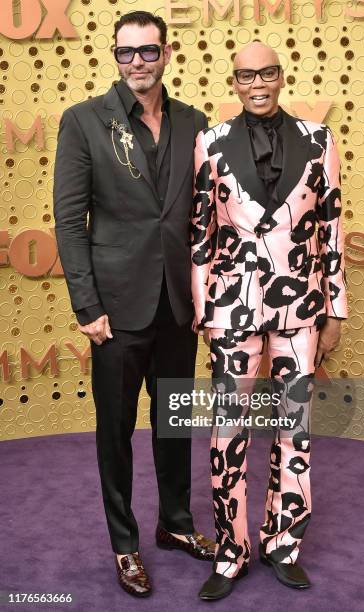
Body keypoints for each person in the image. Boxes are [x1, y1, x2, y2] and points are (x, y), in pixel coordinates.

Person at [53, 10, 215, 599]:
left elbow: (204, 216)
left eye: (148, 51)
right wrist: (86, 305)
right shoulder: (83, 122)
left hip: (178, 304)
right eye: (127, 53)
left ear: (167, 53)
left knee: (174, 422)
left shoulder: (195, 123)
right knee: (114, 430)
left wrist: (206, 294)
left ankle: (175, 525)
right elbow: (70, 222)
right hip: (114, 311)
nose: (137, 62)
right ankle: (125, 544)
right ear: (114, 57)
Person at [191, 41, 348, 601]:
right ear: (233, 82)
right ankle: (231, 553)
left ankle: (283, 543)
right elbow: (201, 234)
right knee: (227, 432)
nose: (257, 83)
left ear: (281, 77)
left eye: (267, 73)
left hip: (302, 307)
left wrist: (335, 310)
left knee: (295, 429)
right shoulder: (208, 143)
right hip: (232, 309)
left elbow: (330, 229)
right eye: (245, 76)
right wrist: (205, 308)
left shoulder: (320, 140)